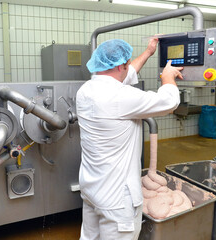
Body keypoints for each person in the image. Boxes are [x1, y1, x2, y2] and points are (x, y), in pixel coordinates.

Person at [76, 38, 183, 240]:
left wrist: (149, 52)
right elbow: (170, 102)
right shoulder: (122, 97)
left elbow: (124, 74)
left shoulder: (85, 91)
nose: (128, 67)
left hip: (92, 189)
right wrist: (167, 77)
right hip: (117, 199)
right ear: (118, 66)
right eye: (126, 63)